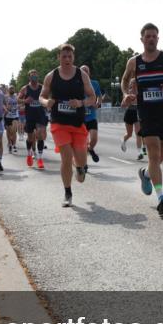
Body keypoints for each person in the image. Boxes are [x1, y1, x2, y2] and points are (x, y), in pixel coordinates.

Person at [120, 23, 163, 216]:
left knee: (160, 158)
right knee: (153, 154)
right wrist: (126, 94)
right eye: (148, 36)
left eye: (154, 36)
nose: (151, 39)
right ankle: (162, 198)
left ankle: (145, 174)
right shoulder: (134, 62)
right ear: (141, 39)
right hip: (146, 113)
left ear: (158, 39)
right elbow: (125, 80)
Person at [40, 45, 96, 206]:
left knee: (81, 162)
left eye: (69, 57)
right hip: (59, 123)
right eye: (64, 56)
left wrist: (81, 102)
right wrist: (46, 102)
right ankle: (67, 193)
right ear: (59, 57)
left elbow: (92, 97)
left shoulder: (81, 75)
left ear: (73, 57)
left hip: (78, 123)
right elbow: (42, 96)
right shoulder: (51, 76)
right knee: (65, 157)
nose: (67, 59)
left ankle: (80, 167)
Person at [19, 69, 48, 169]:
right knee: (30, 137)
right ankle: (29, 154)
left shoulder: (42, 88)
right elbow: (18, 99)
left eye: (35, 75)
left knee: (40, 135)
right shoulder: (25, 88)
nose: (34, 77)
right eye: (32, 75)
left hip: (40, 115)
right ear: (29, 77)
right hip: (30, 116)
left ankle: (40, 158)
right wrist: (25, 100)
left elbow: (46, 98)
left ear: (38, 76)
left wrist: (45, 102)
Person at [80, 65, 103, 164]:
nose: (85, 72)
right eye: (83, 71)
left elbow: (99, 96)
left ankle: (90, 149)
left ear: (89, 73)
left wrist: (98, 103)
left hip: (91, 116)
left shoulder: (95, 83)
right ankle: (84, 164)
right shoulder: (76, 84)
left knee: (94, 139)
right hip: (80, 117)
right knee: (83, 142)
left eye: (87, 71)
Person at [5, 85, 20, 153]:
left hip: (15, 116)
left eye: (12, 88)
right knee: (9, 132)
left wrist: (18, 106)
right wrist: (6, 108)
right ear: (8, 90)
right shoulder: (5, 97)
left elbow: (21, 104)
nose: (12, 90)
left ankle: (14, 145)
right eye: (10, 89)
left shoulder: (17, 97)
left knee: (14, 131)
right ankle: (9, 143)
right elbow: (2, 105)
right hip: (7, 116)